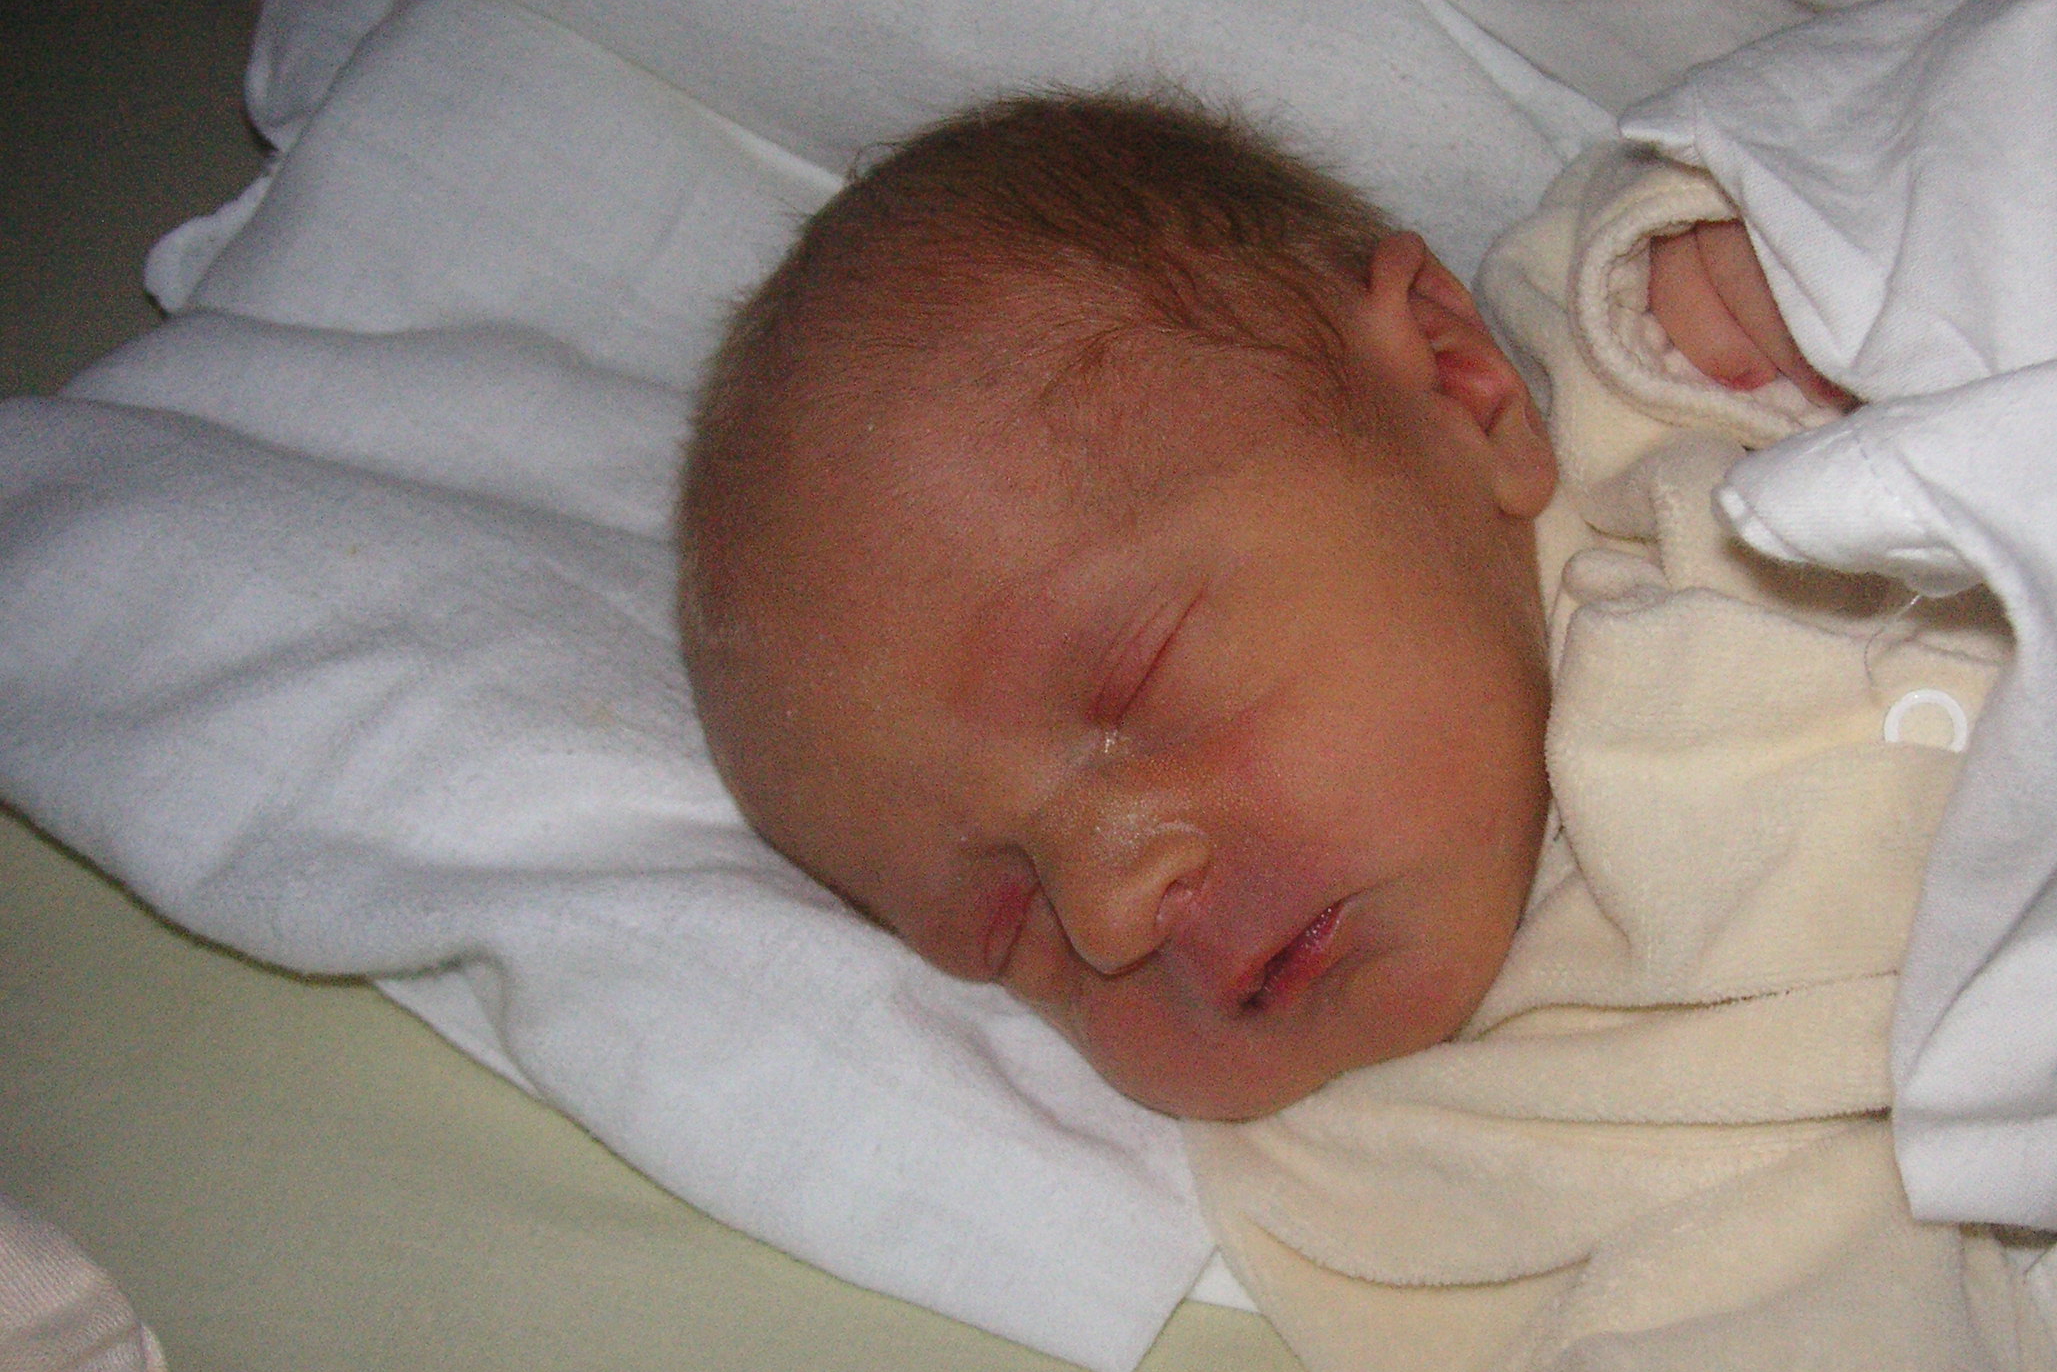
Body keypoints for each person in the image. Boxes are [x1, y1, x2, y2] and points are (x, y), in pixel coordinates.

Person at [678, 89, 1840, 1122]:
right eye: (1009, 928)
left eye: (1135, 679)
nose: (1109, 912)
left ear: (1456, 387)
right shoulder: (1379, 1189)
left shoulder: (1682, 360)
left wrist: (1830, 276)